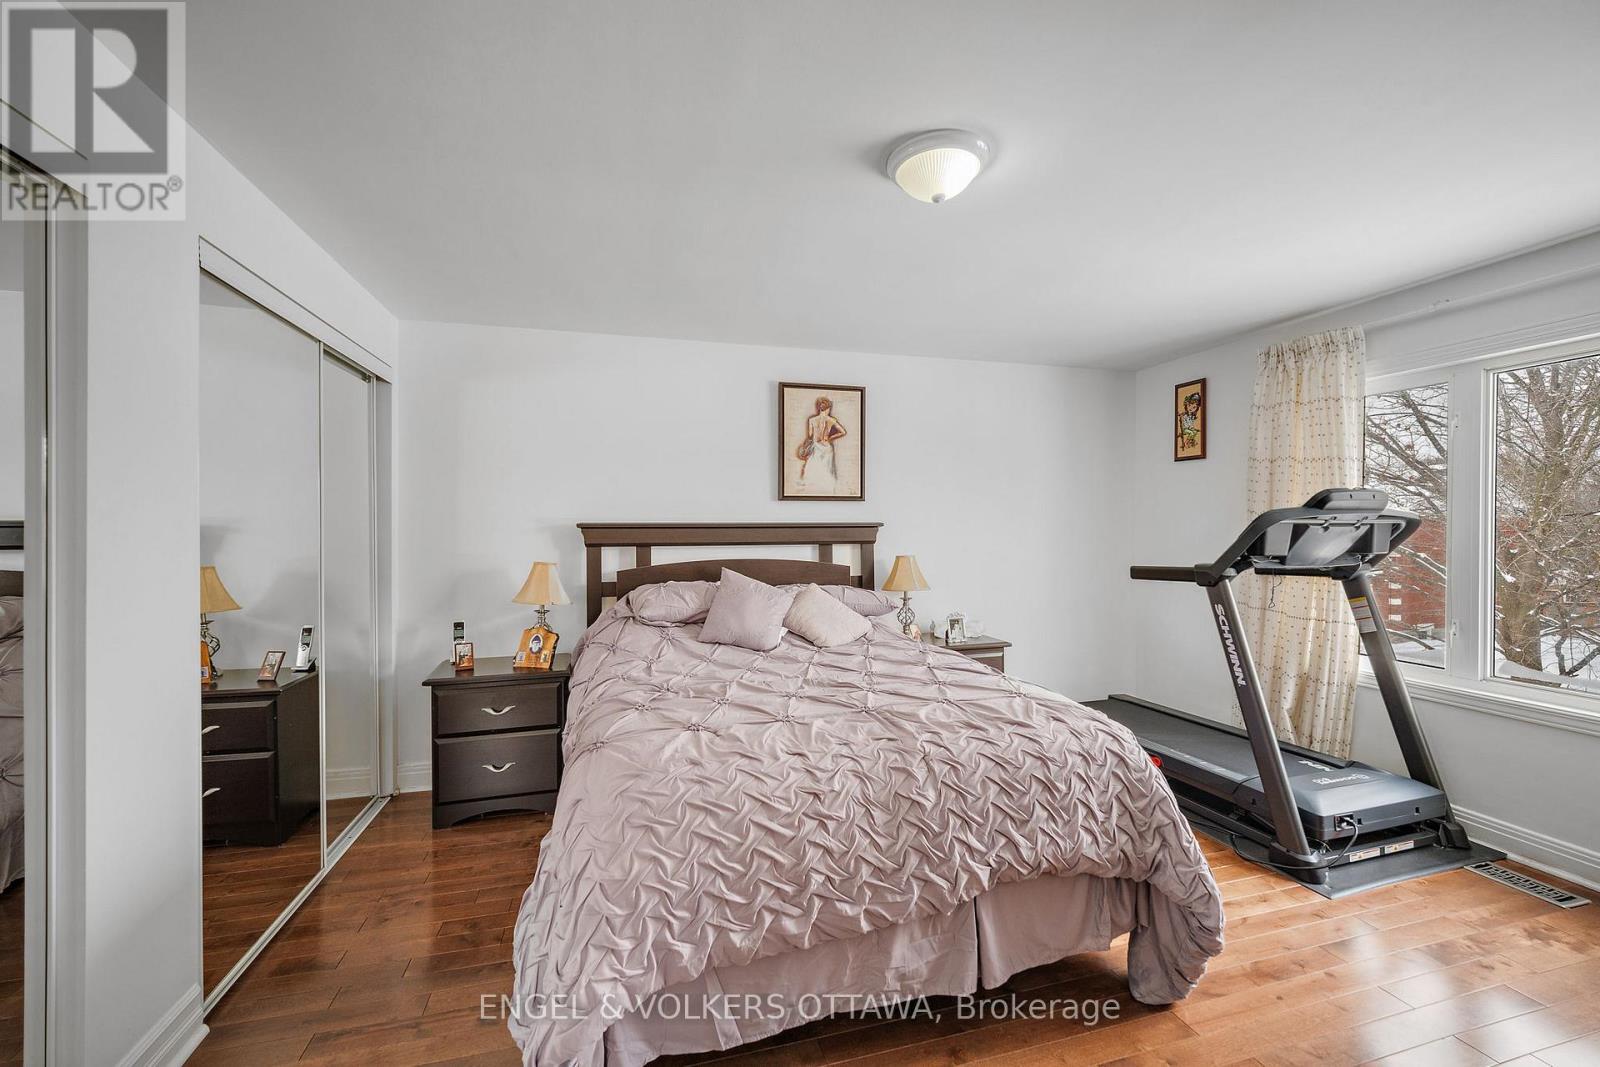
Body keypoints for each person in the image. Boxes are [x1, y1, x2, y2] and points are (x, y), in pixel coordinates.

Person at [795, 396, 847, 492]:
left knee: (814, 468)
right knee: (827, 469)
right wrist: (830, 438)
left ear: (819, 408)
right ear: (828, 408)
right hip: (827, 447)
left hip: (816, 447)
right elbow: (843, 432)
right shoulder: (831, 420)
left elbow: (810, 436)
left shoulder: (812, 420)